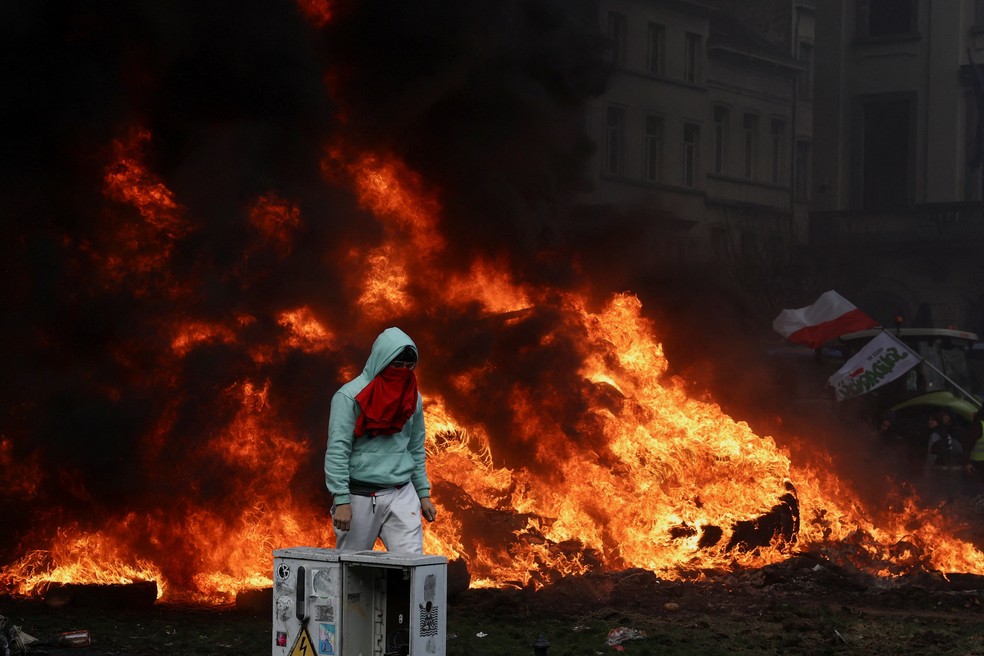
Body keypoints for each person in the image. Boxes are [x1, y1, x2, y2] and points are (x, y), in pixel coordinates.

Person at [325, 327, 437, 553]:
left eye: (408, 366)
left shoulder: (412, 398)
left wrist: (423, 494)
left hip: (401, 493)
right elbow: (338, 450)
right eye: (396, 365)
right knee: (352, 570)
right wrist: (341, 500)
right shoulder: (349, 396)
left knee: (411, 568)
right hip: (360, 495)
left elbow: (415, 449)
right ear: (381, 360)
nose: (402, 371)